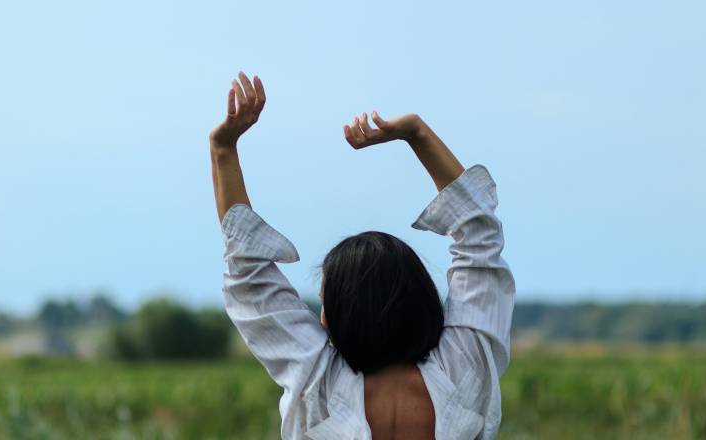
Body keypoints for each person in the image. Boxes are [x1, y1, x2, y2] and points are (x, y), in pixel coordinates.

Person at [209, 71, 516, 440]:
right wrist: (416, 133)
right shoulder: (463, 367)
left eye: (327, 304)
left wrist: (223, 150)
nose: (323, 318)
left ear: (351, 313)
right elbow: (479, 233)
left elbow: (248, 275)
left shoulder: (318, 379)